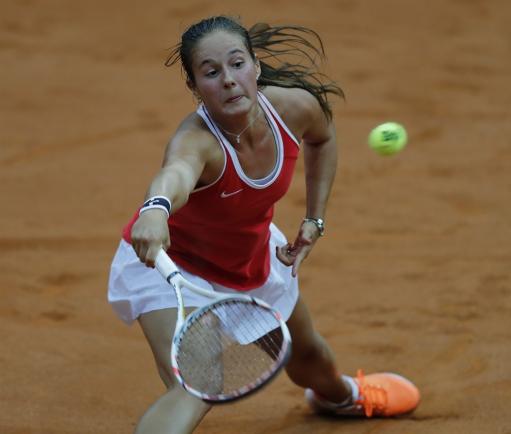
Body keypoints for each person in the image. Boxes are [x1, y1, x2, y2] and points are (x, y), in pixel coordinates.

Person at [108, 15, 420, 434]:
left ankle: (340, 398)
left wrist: (314, 218)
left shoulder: (292, 108)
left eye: (237, 64)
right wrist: (155, 209)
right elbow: (176, 174)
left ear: (255, 66)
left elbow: (322, 137)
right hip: (167, 265)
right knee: (196, 387)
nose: (229, 80)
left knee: (308, 354)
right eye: (211, 72)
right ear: (195, 88)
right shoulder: (196, 140)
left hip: (250, 260)